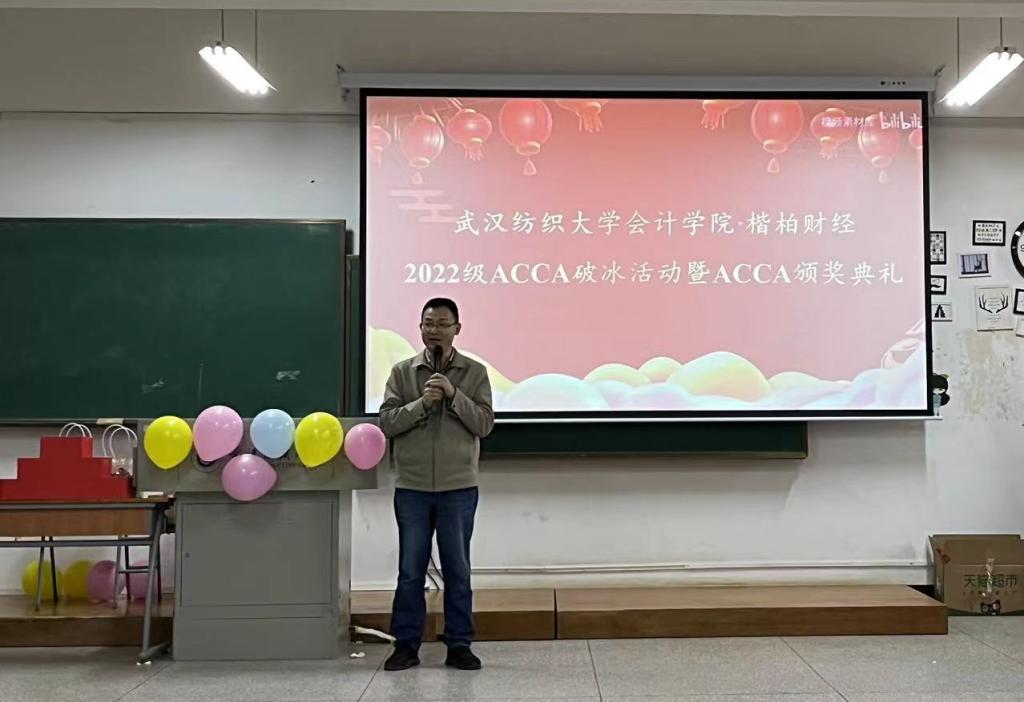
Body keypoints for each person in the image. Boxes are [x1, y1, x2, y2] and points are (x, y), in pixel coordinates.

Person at [378, 297, 495, 672]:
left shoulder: (474, 372)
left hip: (458, 486)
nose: (435, 331)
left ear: (457, 329)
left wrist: (454, 395)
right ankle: (406, 645)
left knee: (457, 569)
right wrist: (422, 404)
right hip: (412, 486)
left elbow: (484, 424)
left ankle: (459, 644)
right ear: (420, 328)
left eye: (443, 324)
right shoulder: (402, 373)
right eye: (429, 324)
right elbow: (387, 423)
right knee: (410, 570)